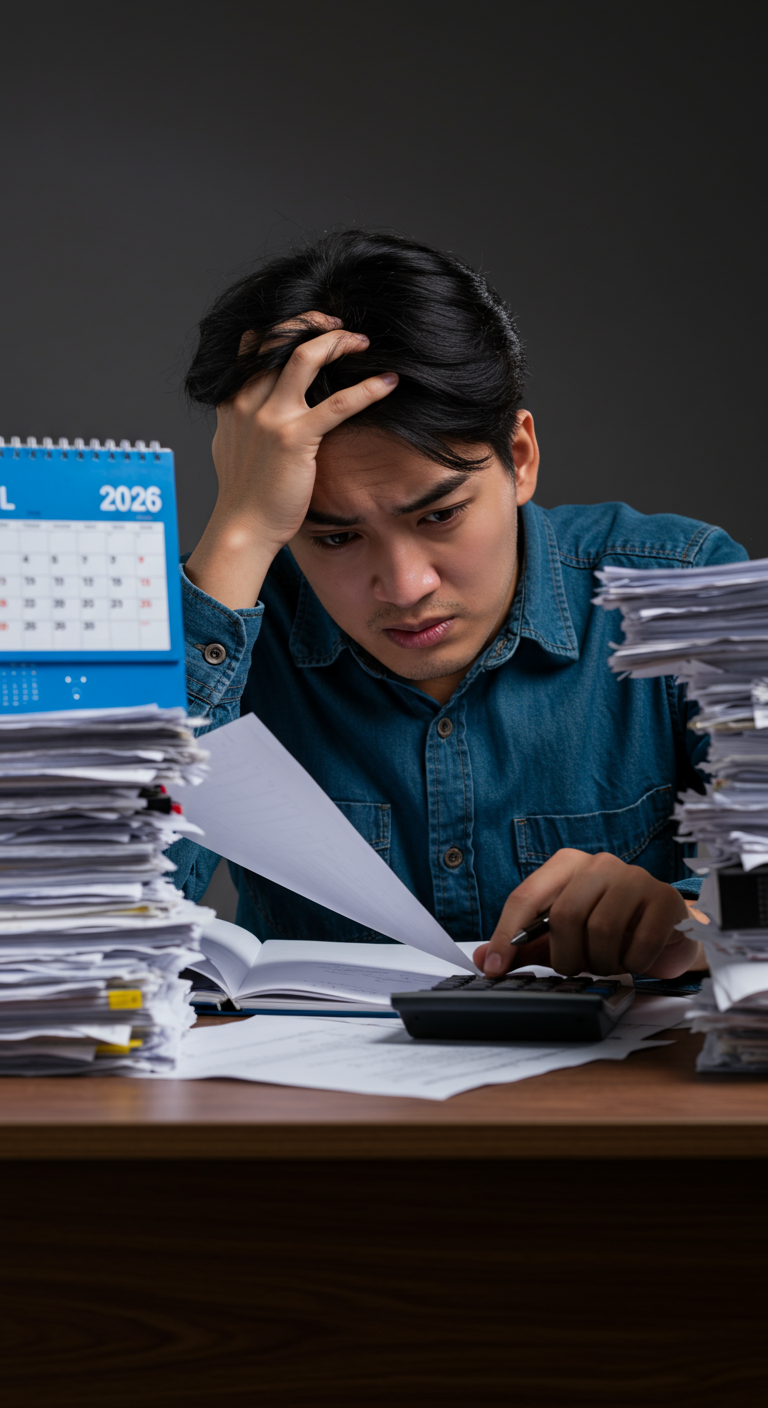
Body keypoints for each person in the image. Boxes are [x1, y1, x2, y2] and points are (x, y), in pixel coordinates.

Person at [170, 228, 747, 979]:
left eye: (438, 515)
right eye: (336, 538)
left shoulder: (681, 590)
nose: (406, 587)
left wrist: (695, 920)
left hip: (617, 1090)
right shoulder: (222, 626)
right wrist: (240, 533)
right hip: (314, 1097)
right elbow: (91, 919)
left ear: (520, 457)